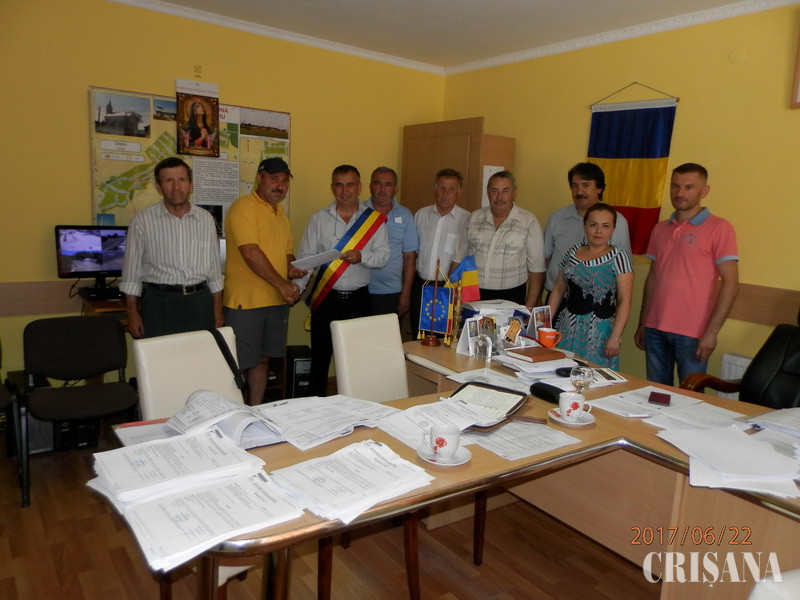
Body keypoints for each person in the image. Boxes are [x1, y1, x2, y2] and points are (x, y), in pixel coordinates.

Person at [634, 163, 739, 385]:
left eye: (688, 187)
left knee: (690, 396)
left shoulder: (720, 228)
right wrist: (643, 322)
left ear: (704, 191)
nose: (680, 193)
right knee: (657, 394)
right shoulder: (660, 228)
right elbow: (653, 277)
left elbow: (731, 283)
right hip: (655, 327)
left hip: (693, 333)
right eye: (675, 186)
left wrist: (712, 332)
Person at [296, 165, 389, 396]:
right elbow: (306, 259)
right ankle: (317, 405)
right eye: (339, 185)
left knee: (356, 361)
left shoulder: (374, 220)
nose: (345, 191)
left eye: (350, 185)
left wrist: (362, 256)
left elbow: (383, 257)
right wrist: (297, 289)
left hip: (359, 300)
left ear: (359, 187)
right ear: (332, 187)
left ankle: (353, 406)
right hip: (325, 298)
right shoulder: (319, 219)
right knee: (320, 359)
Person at [224, 157, 305, 405]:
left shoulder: (281, 213)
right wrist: (283, 286)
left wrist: (294, 268)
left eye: (284, 180)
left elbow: (286, 252)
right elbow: (250, 253)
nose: (280, 185)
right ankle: (234, 415)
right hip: (246, 302)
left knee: (263, 361)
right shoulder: (243, 207)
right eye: (274, 178)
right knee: (238, 365)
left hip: (276, 301)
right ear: (259, 178)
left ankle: (255, 411)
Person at [121, 157, 223, 338]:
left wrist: (217, 309)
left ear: (191, 185)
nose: (176, 187)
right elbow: (131, 274)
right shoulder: (142, 220)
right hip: (160, 304)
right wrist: (132, 313)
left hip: (199, 303)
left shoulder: (206, 219)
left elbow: (214, 272)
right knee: (162, 355)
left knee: (200, 354)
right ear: (159, 187)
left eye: (181, 180)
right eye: (169, 180)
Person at [547, 203, 634, 369]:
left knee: (594, 376)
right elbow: (558, 289)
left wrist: (616, 337)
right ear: (585, 226)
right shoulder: (572, 252)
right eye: (593, 225)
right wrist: (544, 322)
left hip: (599, 331)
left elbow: (624, 300)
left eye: (605, 226)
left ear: (613, 229)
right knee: (561, 371)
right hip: (567, 326)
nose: (598, 231)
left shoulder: (619, 257)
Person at [543, 162, 631, 301]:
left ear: (599, 188)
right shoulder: (557, 218)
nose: (579, 192)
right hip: (556, 297)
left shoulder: (617, 221)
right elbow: (545, 258)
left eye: (586, 185)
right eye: (575, 185)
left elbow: (624, 268)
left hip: (596, 302)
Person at [463, 170, 545, 308]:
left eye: (505, 191)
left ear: (514, 193)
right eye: (494, 191)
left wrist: (529, 308)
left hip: (512, 296)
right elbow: (458, 258)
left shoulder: (529, 222)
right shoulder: (473, 218)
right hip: (473, 295)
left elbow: (537, 270)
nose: (499, 197)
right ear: (488, 192)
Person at [411, 168, 470, 338]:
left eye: (452, 189)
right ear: (434, 189)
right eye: (442, 188)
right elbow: (413, 252)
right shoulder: (421, 215)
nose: (445, 193)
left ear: (459, 192)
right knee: (418, 336)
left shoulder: (467, 219)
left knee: (442, 339)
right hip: (421, 286)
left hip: (448, 289)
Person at [364, 167, 419, 317]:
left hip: (392, 292)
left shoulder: (405, 215)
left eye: (388, 184)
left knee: (388, 333)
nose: (382, 189)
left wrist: (406, 293)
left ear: (395, 189)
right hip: (361, 290)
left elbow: (409, 257)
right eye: (378, 183)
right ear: (370, 186)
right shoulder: (359, 212)